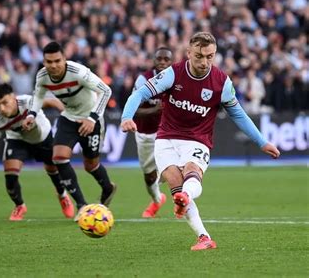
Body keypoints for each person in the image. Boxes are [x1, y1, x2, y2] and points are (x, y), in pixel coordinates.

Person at [120, 32, 280, 251]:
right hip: (165, 139)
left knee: (191, 174)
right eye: (199, 56)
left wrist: (262, 142)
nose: (204, 62)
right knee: (177, 189)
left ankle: (186, 199)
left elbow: (238, 115)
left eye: (210, 56)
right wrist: (127, 117)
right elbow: (138, 94)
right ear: (188, 53)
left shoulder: (221, 82)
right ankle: (204, 237)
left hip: (197, 140)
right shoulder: (172, 74)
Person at [23, 41, 116, 220]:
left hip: (91, 118)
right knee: (58, 157)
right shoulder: (42, 76)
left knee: (91, 165)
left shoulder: (78, 72)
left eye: (57, 60)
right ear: (44, 62)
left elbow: (106, 91)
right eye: (49, 62)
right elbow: (38, 96)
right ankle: (82, 205)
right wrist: (31, 115)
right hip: (69, 117)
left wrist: (92, 118)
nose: (53, 65)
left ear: (65, 59)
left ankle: (108, 188)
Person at [0, 83, 75, 221]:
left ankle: (62, 195)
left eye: (4, 103)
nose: (1, 108)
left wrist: (67, 118)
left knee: (53, 171)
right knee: (10, 175)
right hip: (18, 140)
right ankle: (20, 206)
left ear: (13, 97)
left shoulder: (28, 102)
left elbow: (52, 101)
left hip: (42, 137)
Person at [133, 47, 173, 218]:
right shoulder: (144, 79)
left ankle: (183, 201)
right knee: (150, 177)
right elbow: (133, 109)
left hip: (168, 132)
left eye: (166, 59)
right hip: (145, 133)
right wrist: (154, 111)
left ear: (171, 62)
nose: (163, 62)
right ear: (154, 60)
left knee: (176, 170)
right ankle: (157, 199)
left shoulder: (176, 78)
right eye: (159, 59)